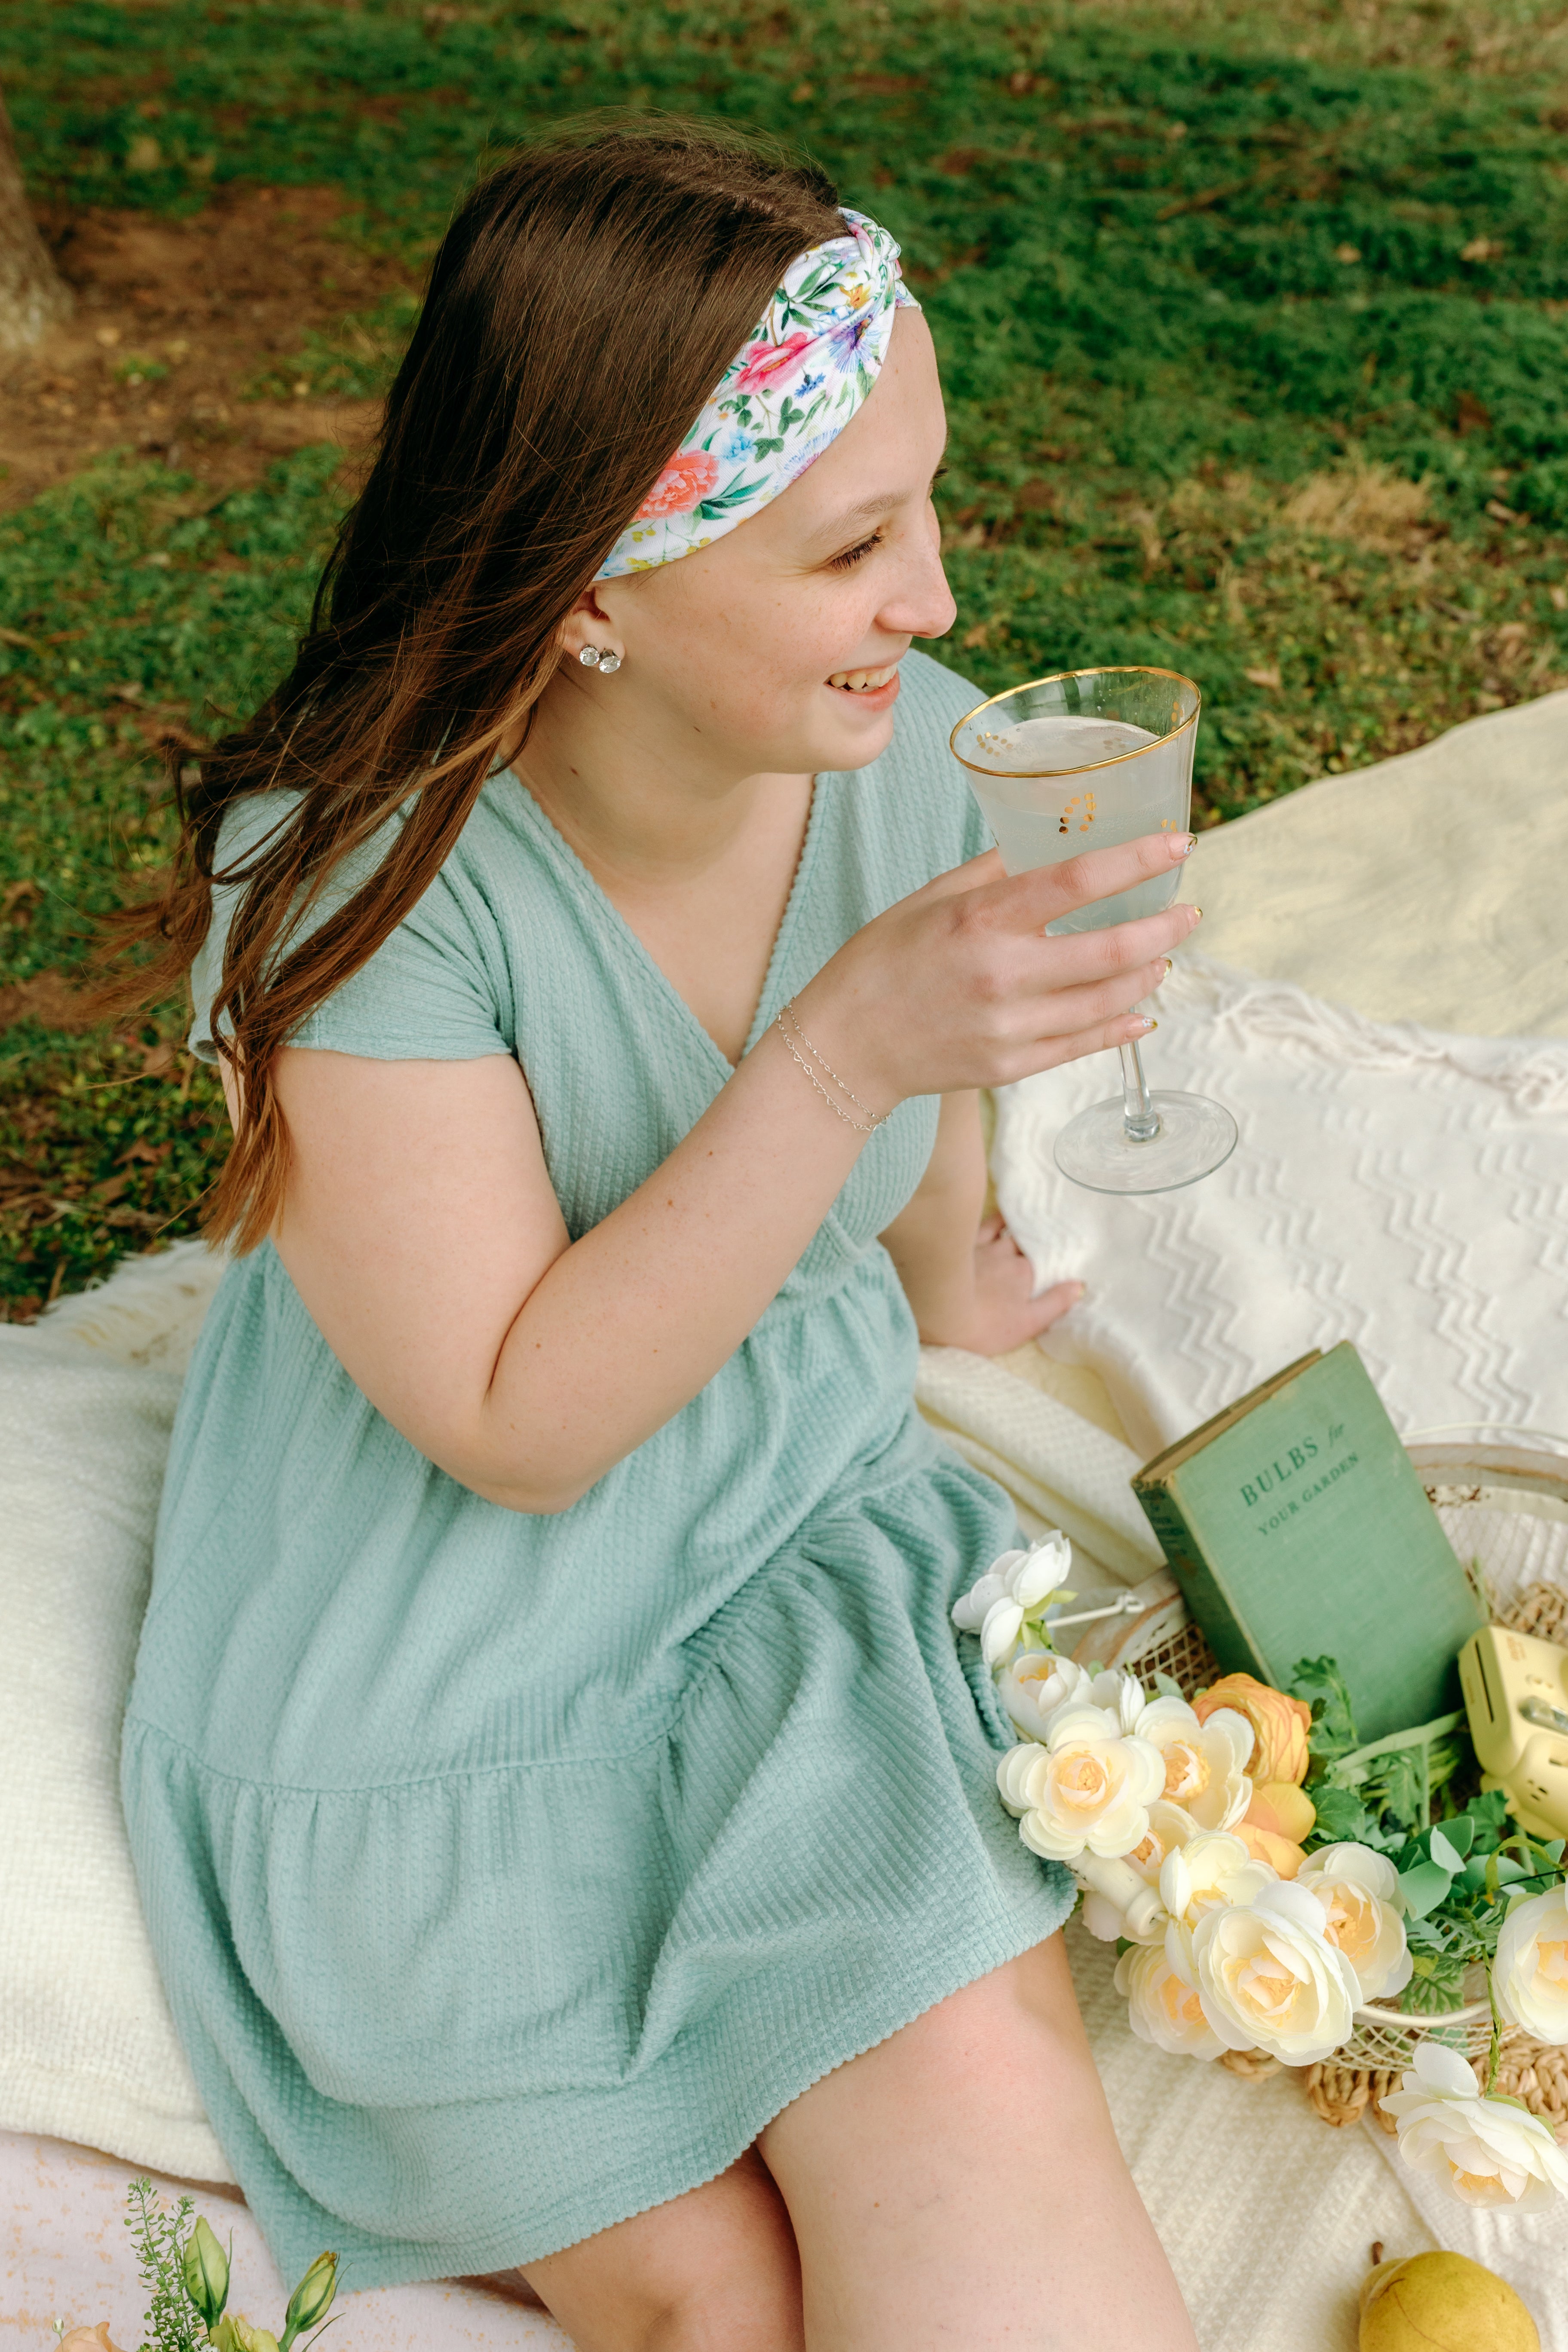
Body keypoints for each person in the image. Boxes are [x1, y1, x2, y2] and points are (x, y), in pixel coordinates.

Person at [117, 122, 1200, 2351]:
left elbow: (927, 1066)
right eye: (854, 548)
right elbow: (513, 1420)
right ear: (595, 592)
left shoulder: (898, 743)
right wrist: (840, 1050)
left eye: (930, 507)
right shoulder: (366, 888)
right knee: (701, 2283)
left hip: (766, 1552)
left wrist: (942, 1263)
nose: (940, 603)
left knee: (970, 2071)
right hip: (450, 1636)